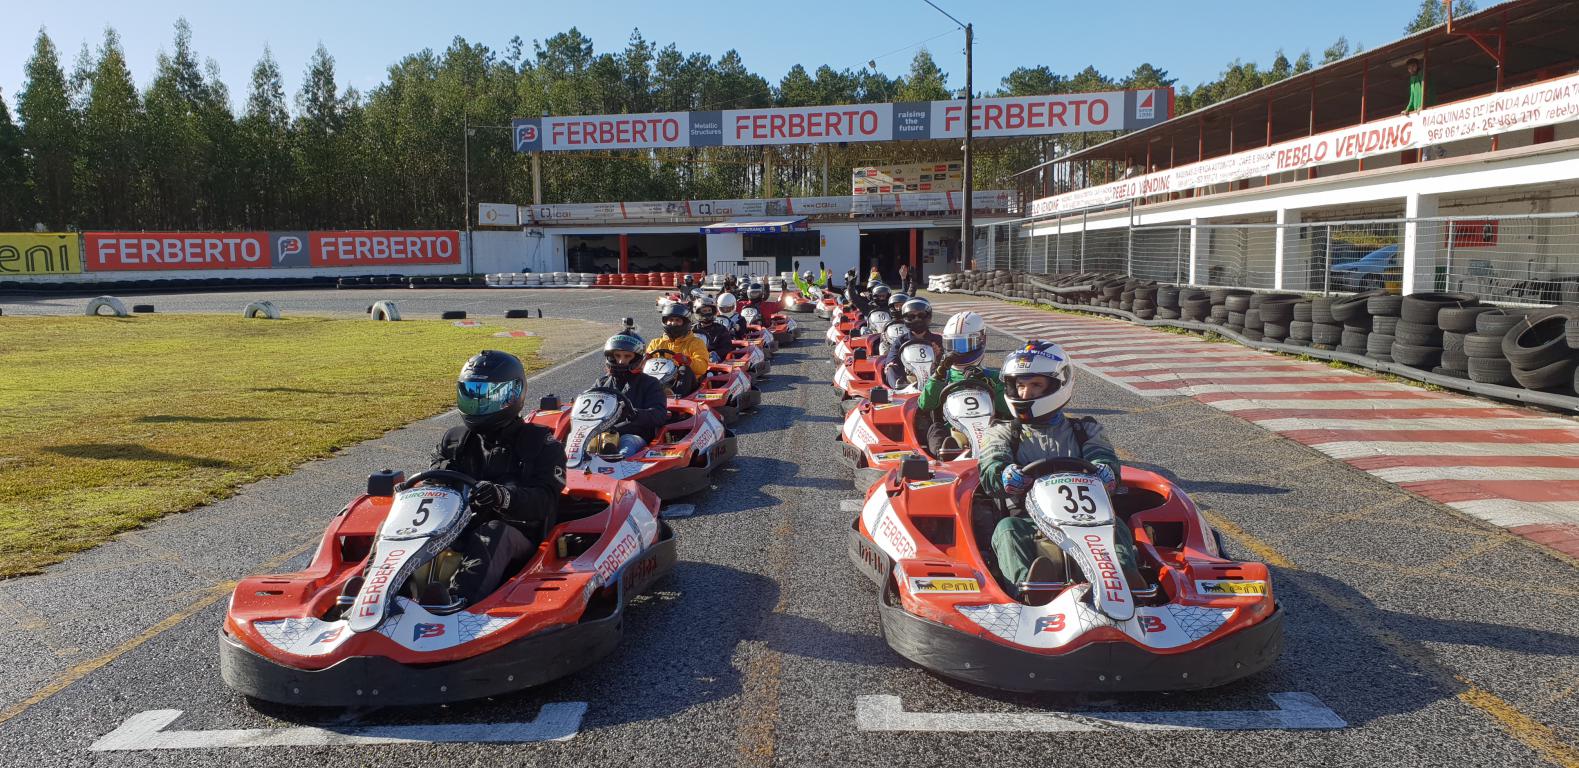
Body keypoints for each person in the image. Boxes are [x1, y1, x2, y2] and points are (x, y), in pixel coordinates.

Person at [976, 340, 1137, 605]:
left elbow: (1102, 457)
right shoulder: (1003, 430)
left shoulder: (1085, 430)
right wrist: (1004, 473)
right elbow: (991, 466)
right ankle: (1027, 594)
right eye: (1020, 385)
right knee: (1005, 529)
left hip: (1090, 525)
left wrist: (1106, 471)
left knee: (1117, 527)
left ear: (1057, 385)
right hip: (1029, 522)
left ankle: (1125, 585)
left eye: (1036, 385)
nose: (1025, 393)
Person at [430, 351, 567, 604]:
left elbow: (545, 500)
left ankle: (456, 602)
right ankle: (372, 592)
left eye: (488, 396)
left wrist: (502, 497)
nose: (479, 403)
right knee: (398, 527)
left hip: (520, 534)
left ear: (514, 394)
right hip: (459, 526)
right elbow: (434, 482)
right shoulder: (455, 440)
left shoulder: (541, 443)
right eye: (472, 394)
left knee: (493, 532)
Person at [914, 310, 1011, 454]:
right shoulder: (943, 376)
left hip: (990, 429)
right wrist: (939, 374)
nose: (957, 352)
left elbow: (1008, 409)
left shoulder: (995, 377)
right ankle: (944, 457)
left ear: (982, 340)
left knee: (1008, 427)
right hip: (951, 430)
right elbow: (925, 404)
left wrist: (988, 382)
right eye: (952, 345)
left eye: (963, 345)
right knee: (935, 429)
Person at [647, 302, 711, 396]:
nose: (673, 323)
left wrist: (687, 361)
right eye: (671, 320)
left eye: (677, 320)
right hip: (660, 381)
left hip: (687, 384)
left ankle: (674, 397)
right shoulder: (656, 343)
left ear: (685, 322)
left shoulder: (696, 342)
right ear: (665, 321)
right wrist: (645, 359)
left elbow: (702, 367)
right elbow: (646, 366)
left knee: (684, 369)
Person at [881, 298, 943, 388]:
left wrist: (938, 355)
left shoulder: (938, 340)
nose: (916, 319)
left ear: (928, 317)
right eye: (911, 316)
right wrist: (891, 364)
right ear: (905, 318)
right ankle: (899, 390)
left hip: (933, 377)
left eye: (921, 315)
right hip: (908, 380)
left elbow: (948, 363)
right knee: (891, 368)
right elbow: (891, 360)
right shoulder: (900, 340)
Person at [692, 295, 734, 362]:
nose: (707, 313)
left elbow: (727, 347)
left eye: (709, 310)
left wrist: (715, 353)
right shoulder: (692, 330)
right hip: (695, 360)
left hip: (715, 364)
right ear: (698, 312)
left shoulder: (721, 329)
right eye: (704, 311)